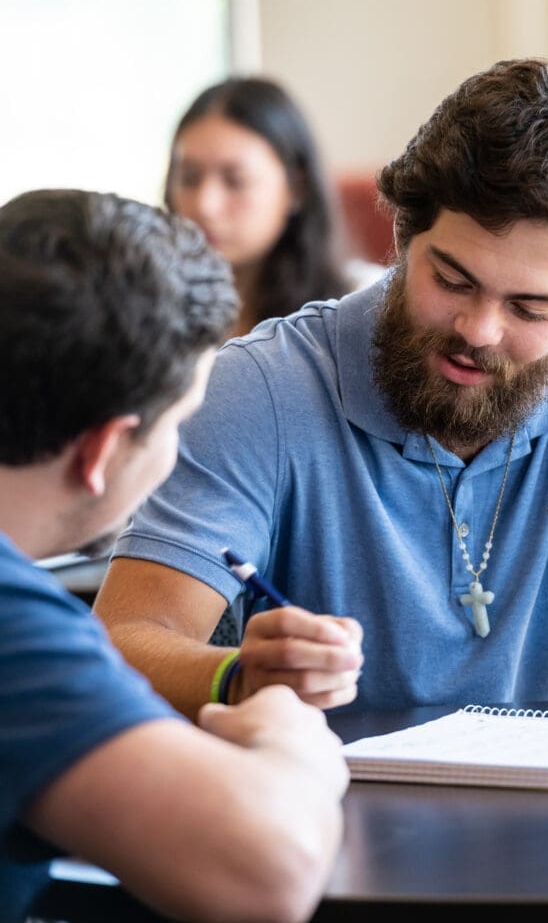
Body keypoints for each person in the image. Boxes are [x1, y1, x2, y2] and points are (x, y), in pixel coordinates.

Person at [94, 57, 548, 719]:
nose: (478, 330)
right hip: (330, 809)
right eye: (452, 280)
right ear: (404, 237)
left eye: (529, 308)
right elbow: (123, 643)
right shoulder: (262, 385)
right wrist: (236, 676)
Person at [0, 189, 351, 923]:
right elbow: (268, 872)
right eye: (179, 426)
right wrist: (290, 745)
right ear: (103, 450)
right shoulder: (16, 630)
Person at [164, 74, 384, 339]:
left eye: (236, 181)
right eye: (189, 178)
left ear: (296, 188)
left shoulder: (361, 303)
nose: (205, 205)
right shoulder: (146, 304)